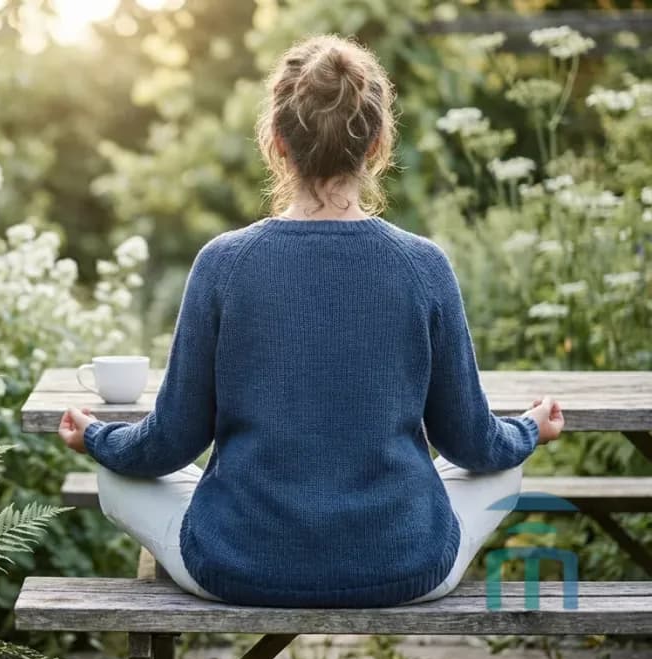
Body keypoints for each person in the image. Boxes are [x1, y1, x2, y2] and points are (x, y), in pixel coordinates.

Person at [57, 34, 565, 608]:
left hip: (238, 567)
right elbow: (472, 444)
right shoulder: (424, 266)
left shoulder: (222, 263)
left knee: (115, 477)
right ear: (376, 144)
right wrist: (528, 429)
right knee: (505, 471)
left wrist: (97, 438)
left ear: (276, 142)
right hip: (404, 567)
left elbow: (171, 442)